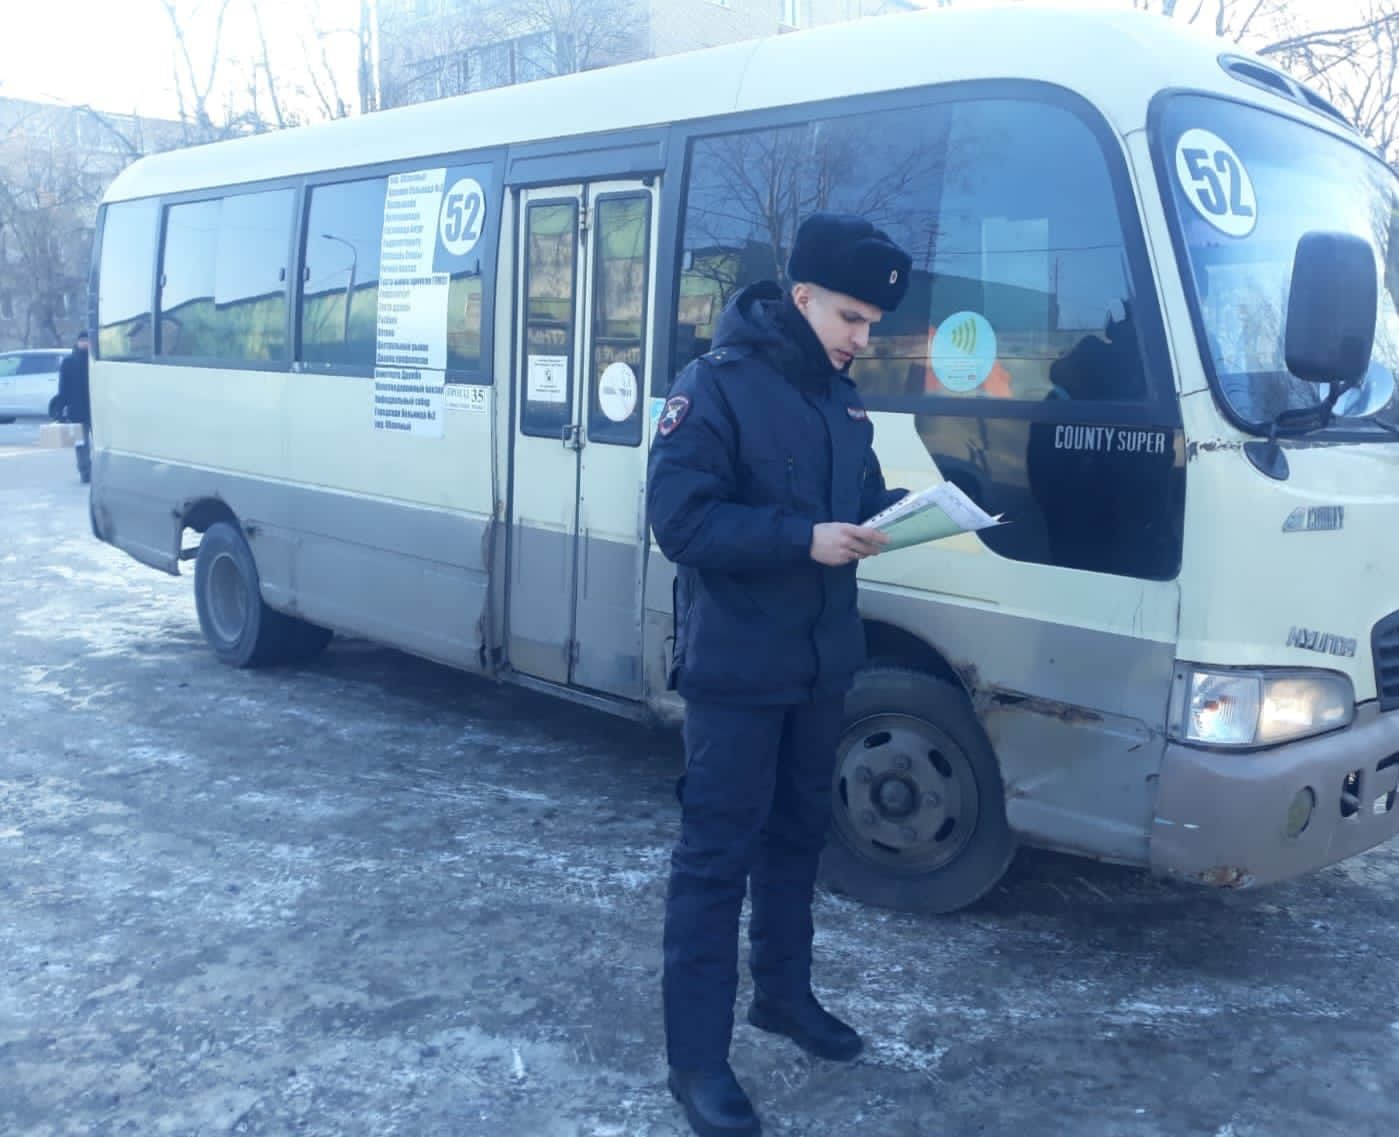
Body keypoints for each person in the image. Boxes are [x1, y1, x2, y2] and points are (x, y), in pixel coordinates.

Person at [647, 213, 912, 1137]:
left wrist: (917, 512)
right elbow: (680, 522)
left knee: (799, 837)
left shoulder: (840, 401)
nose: (860, 338)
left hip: (819, 663)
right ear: (800, 298)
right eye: (849, 316)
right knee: (716, 859)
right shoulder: (712, 387)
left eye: (872, 325)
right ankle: (697, 1060)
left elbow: (860, 502)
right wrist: (800, 539)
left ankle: (783, 998)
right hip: (737, 668)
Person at [55, 330, 92, 484]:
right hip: (77, 409)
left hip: (98, 408)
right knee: (81, 444)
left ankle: (102, 471)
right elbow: (63, 387)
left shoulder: (95, 361)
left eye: (87, 340)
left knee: (103, 443)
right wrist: (60, 407)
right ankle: (85, 472)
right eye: (82, 340)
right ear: (77, 342)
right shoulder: (69, 362)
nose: (85, 343)